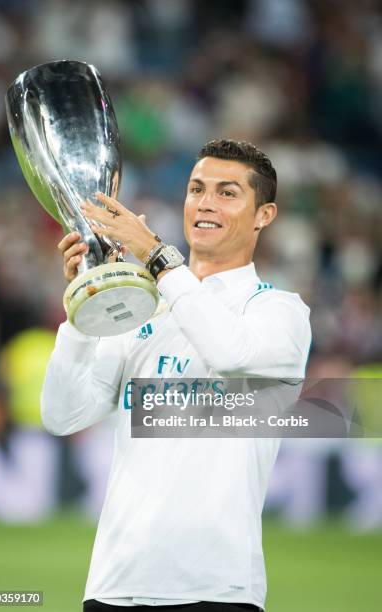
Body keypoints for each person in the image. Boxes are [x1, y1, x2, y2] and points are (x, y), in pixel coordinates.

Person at [41, 139, 311, 611]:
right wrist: (87, 305)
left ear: (263, 215)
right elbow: (62, 415)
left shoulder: (279, 312)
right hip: (114, 584)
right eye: (196, 189)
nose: (205, 202)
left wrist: (159, 259)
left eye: (228, 193)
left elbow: (226, 350)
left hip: (215, 589)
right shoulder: (146, 308)